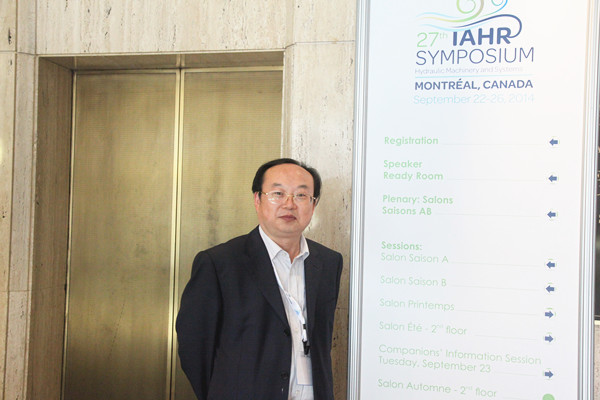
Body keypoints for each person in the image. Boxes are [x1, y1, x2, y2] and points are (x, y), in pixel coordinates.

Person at [176, 158, 343, 400]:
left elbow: (322, 341)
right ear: (257, 200)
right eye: (278, 194)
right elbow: (194, 346)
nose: (289, 204)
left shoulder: (328, 262)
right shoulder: (220, 263)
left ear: (313, 204)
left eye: (301, 195)